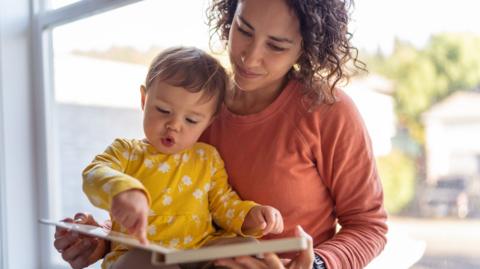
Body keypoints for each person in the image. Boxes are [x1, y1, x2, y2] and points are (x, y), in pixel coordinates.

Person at [54, 0, 388, 268]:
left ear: (305, 47)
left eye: (276, 45)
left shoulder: (328, 111)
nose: (250, 56)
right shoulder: (197, 106)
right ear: (230, 14)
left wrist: (316, 264)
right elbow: (170, 205)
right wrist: (101, 240)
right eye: (243, 29)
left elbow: (369, 226)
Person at [77, 46, 284, 269]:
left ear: (209, 121)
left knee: (248, 248)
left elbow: (224, 204)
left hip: (200, 249)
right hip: (140, 250)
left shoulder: (208, 158)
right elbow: (94, 173)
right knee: (144, 262)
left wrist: (251, 215)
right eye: (163, 110)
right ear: (144, 100)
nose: (174, 126)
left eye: (192, 120)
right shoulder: (126, 152)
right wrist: (123, 190)